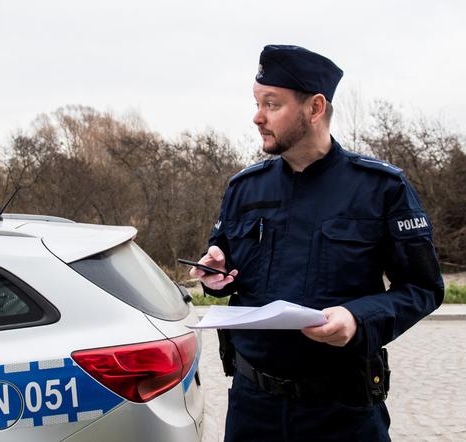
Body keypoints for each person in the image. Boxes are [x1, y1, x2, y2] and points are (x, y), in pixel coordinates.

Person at [190, 45, 444, 442]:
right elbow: (221, 265)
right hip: (252, 411)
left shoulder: (381, 188)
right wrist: (214, 274)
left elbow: (424, 289)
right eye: (257, 103)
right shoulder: (245, 188)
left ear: (315, 108)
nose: (257, 117)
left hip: (343, 414)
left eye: (272, 104)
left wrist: (358, 318)